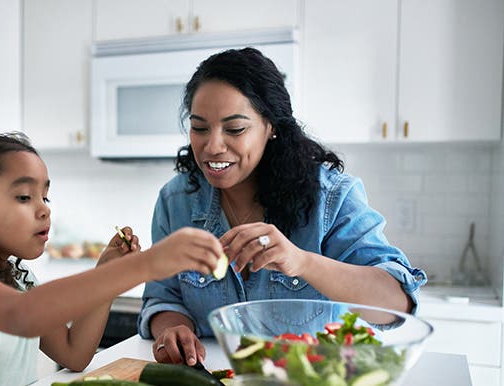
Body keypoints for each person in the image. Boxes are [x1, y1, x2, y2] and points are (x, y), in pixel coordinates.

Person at [137, 47, 428, 367]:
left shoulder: (331, 198)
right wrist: (174, 327)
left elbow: (396, 304)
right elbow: (163, 297)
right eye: (200, 127)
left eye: (235, 129)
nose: (212, 146)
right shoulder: (175, 201)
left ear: (271, 127)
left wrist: (302, 262)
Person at [0, 128, 225, 386]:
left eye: (45, 198)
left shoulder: (20, 281)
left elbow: (74, 353)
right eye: (24, 197)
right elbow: (20, 316)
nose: (43, 211)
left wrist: (109, 272)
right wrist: (146, 264)